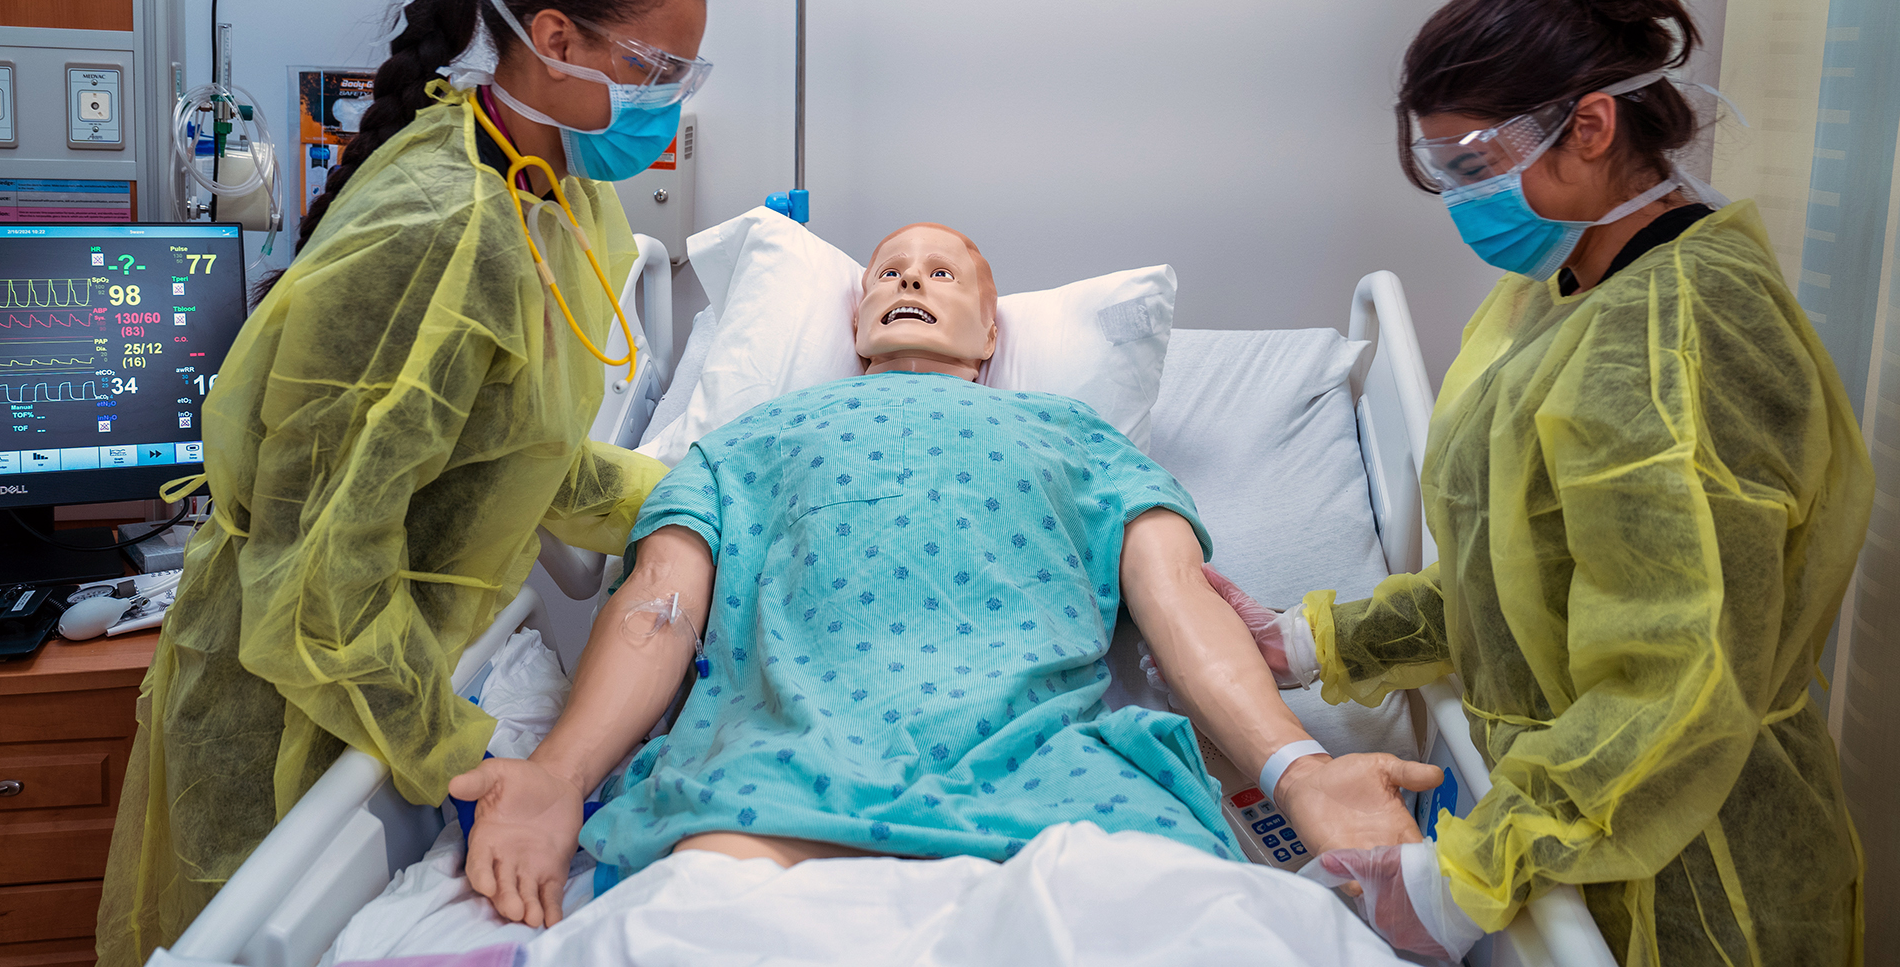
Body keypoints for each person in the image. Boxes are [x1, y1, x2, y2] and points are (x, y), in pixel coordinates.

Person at [451, 222, 1442, 928]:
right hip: (780, 781)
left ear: (990, 333)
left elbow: (1176, 600)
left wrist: (1296, 770)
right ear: (855, 323)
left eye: (941, 272)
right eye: (885, 272)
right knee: (675, 930)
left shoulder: (1075, 436)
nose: (907, 282)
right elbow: (656, 609)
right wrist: (556, 777)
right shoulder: (745, 444)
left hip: (1054, 785)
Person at [1214, 0, 1872, 964]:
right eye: (1437, 168)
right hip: (1588, 825)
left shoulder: (1677, 340)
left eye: (1472, 159)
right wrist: (1307, 641)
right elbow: (1516, 580)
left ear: (1593, 128)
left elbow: (1678, 678)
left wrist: (1473, 876)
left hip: (1689, 879)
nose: (1458, 200)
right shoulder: (1558, 294)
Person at [95, 0, 711, 965]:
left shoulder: (553, 191)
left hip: (392, 658)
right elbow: (319, 574)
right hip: (302, 692)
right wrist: (473, 758)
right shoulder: (442, 227)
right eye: (655, 73)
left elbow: (512, 451)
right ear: (554, 39)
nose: (667, 105)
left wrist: (700, 494)